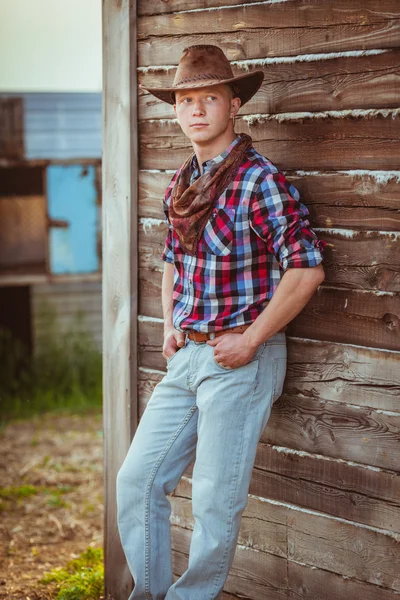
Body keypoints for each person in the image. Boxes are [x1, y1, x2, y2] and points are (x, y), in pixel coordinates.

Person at [116, 44, 327, 600]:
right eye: (186, 100)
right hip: (188, 355)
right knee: (137, 481)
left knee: (213, 499)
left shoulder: (259, 181)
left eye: (209, 98)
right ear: (177, 110)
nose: (196, 110)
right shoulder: (182, 183)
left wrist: (253, 339)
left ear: (234, 105)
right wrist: (170, 323)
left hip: (241, 361)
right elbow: (171, 260)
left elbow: (306, 269)